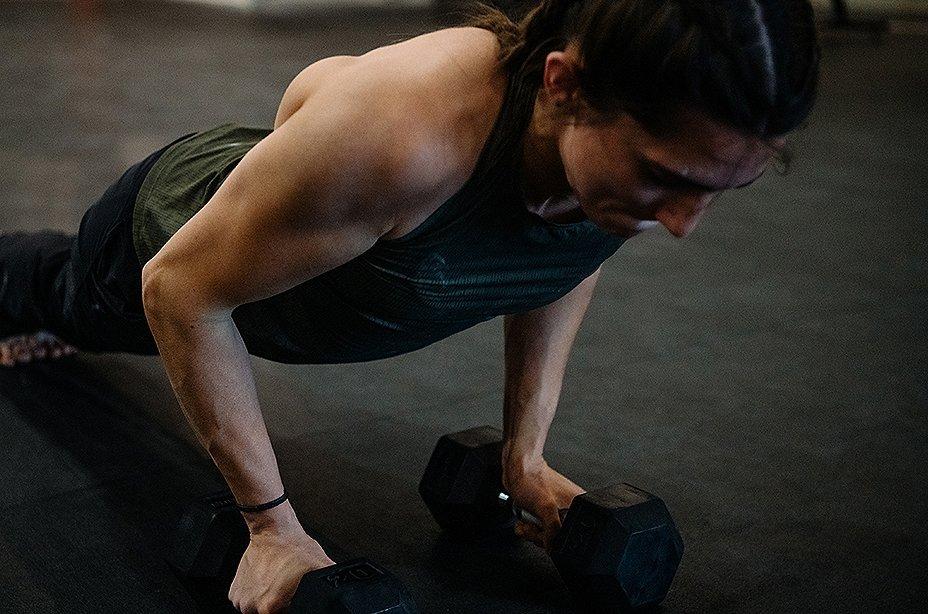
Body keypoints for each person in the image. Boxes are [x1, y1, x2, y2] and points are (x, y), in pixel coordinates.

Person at [0, 0, 820, 611]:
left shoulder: (621, 172)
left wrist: (525, 459)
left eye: (718, 190)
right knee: (58, 294)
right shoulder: (407, 133)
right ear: (564, 86)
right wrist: (271, 527)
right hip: (165, 239)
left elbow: (561, 260)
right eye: (665, 180)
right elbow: (176, 289)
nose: (680, 224)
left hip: (296, 242)